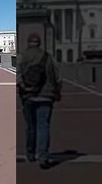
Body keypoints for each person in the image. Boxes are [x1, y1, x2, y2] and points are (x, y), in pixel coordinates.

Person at [18, 33, 62, 169]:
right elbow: (58, 77)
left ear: (28, 42)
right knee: (43, 126)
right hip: (46, 96)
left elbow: (18, 76)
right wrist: (57, 92)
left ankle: (30, 154)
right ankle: (43, 156)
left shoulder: (22, 57)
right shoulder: (48, 57)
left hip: (28, 96)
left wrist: (24, 88)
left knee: (31, 127)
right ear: (39, 43)